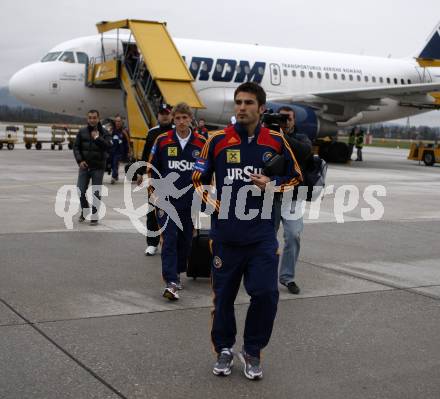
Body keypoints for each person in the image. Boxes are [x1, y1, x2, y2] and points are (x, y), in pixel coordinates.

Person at [192, 82, 302, 380]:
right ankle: (224, 349)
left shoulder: (276, 141)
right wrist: (212, 202)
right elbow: (198, 178)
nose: (241, 107)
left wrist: (274, 185)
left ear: (261, 108)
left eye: (249, 102)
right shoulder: (216, 140)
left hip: (262, 236)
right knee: (223, 298)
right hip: (226, 236)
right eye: (238, 102)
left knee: (266, 294)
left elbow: (297, 178)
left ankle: (252, 351)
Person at [148, 102, 206, 300]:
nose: (181, 122)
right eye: (178, 118)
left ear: (191, 119)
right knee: (169, 239)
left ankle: (179, 270)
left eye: (185, 118)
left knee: (186, 240)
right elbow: (152, 169)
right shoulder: (162, 140)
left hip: (190, 200)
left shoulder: (201, 142)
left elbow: (205, 173)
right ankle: (171, 280)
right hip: (166, 200)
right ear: (173, 119)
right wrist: (153, 193)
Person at [273, 106, 312, 295]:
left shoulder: (301, 139)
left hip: (293, 197)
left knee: (294, 235)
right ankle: (262, 274)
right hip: (270, 197)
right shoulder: (268, 137)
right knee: (265, 238)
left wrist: (280, 135)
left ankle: (287, 277)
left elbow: (304, 151)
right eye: (281, 118)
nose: (285, 121)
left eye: (288, 118)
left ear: (294, 121)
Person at [137, 104, 174, 256]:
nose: (164, 116)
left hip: (173, 179)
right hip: (155, 179)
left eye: (167, 113)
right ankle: (152, 243)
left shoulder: (176, 131)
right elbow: (146, 154)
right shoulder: (152, 132)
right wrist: (139, 172)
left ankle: (171, 242)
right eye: (161, 113)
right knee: (152, 211)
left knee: (173, 211)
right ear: (158, 116)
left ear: (171, 115)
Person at [73, 110, 112, 225]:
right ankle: (85, 211)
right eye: (90, 117)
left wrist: (97, 138)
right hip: (84, 166)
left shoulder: (104, 132)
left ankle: (94, 215)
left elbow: (109, 146)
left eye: (94, 118)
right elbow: (76, 148)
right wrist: (80, 161)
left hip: (98, 167)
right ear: (87, 119)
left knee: (96, 192)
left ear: (98, 118)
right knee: (80, 190)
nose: (92, 120)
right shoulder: (82, 132)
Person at [110, 115, 130, 184]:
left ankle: (113, 177)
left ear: (121, 122)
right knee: (113, 164)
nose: (117, 123)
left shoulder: (124, 132)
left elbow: (127, 142)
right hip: (113, 151)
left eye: (119, 121)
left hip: (120, 151)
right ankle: (115, 176)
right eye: (116, 121)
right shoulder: (112, 131)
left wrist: (129, 151)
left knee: (115, 163)